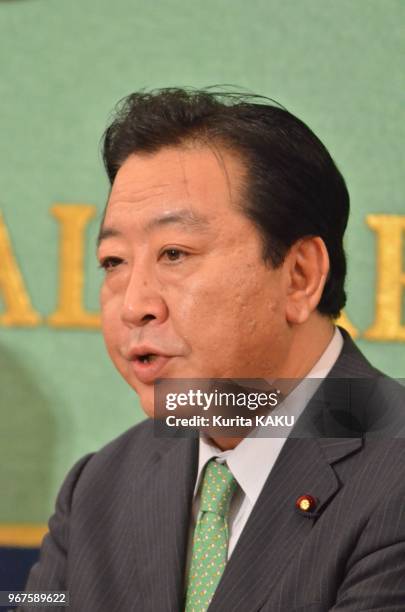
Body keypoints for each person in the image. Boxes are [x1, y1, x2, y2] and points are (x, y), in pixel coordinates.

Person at [21, 89, 405, 611]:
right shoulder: (99, 488)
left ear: (299, 277)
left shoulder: (394, 466)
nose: (135, 304)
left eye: (174, 253)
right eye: (113, 262)